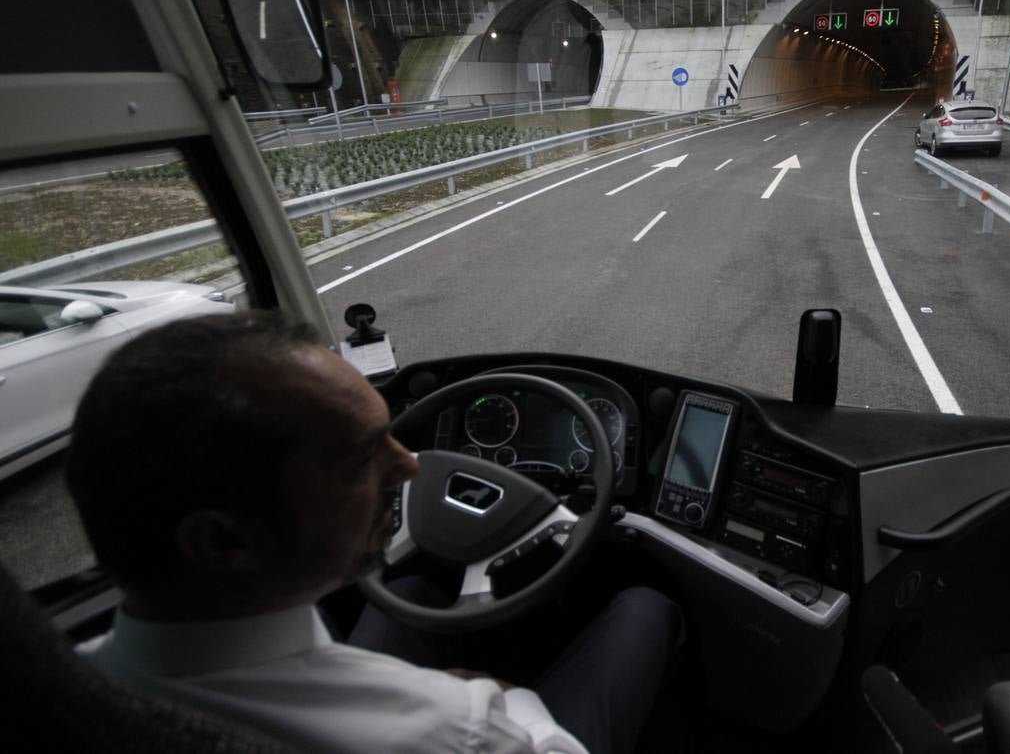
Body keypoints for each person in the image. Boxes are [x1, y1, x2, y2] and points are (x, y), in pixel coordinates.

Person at [66, 310, 682, 754]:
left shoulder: (61, 680)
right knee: (644, 607)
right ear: (223, 541)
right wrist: (497, 698)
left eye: (394, 434)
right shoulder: (457, 730)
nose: (411, 464)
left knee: (411, 591)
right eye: (362, 459)